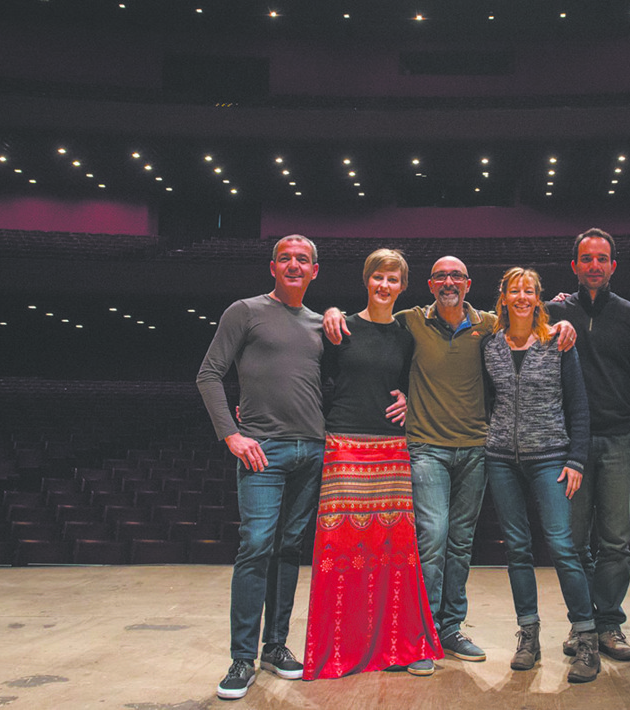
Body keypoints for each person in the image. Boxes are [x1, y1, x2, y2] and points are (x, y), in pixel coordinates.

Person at [324, 256, 576, 665]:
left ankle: (450, 628)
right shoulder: (411, 320)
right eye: (441, 275)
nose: (449, 281)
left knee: (460, 544)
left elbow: (530, 318)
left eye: (456, 275)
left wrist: (563, 320)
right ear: (429, 283)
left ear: (468, 283)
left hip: (477, 447)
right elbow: (370, 319)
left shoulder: (491, 324)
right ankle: (419, 635)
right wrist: (332, 312)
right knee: (434, 537)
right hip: (426, 446)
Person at [196, 235, 327, 700]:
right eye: (286, 258)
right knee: (255, 545)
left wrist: (400, 395)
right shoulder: (245, 311)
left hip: (312, 450)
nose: (294, 265)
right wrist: (231, 433)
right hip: (262, 451)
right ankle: (241, 657)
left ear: (315, 270)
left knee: (289, 548)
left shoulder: (318, 323)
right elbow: (209, 373)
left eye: (303, 259)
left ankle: (276, 646)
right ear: (273, 266)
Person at [303, 249, 442, 679]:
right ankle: (343, 648)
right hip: (344, 445)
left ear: (403, 286)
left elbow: (414, 381)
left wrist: (407, 398)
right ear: (367, 280)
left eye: (393, 279)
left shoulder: (405, 333)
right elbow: (316, 379)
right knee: (341, 553)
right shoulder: (339, 326)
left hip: (391, 449)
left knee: (395, 555)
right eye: (378, 277)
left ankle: (400, 643)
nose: (385, 285)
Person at [482, 267, 600, 683]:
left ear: (538, 298)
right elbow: (484, 400)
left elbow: (579, 406)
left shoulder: (558, 342)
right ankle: (528, 635)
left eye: (528, 290)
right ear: (504, 297)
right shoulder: (491, 344)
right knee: (517, 549)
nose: (521, 296)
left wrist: (576, 459)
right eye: (514, 289)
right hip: (500, 459)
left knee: (562, 547)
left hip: (551, 457)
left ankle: (587, 636)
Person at [545, 228, 630, 662]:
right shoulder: (551, 311)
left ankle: (608, 623)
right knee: (572, 543)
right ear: (574, 266)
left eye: (602, 259)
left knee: (616, 542)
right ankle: (582, 623)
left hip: (617, 439)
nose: (594, 265)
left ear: (613, 266)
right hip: (568, 443)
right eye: (586, 259)